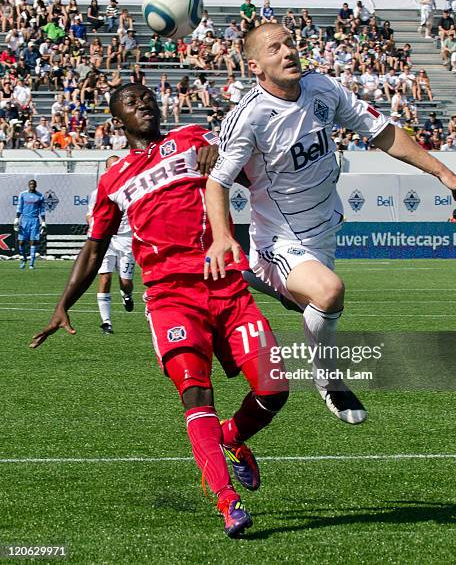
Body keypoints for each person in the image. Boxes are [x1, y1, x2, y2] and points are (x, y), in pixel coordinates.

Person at [30, 83, 288, 539]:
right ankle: (227, 501)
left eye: (147, 97)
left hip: (227, 284)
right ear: (116, 120)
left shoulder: (192, 137)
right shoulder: (113, 179)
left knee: (275, 390)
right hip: (171, 298)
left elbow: (253, 173)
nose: (143, 104)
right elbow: (94, 248)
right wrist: (62, 305)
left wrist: (221, 159)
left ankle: (231, 437)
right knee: (195, 393)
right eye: (131, 102)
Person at [204, 23, 456, 423]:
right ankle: (329, 381)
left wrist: (441, 172)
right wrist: (221, 237)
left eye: (291, 44)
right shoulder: (251, 116)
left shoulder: (323, 88)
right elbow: (217, 182)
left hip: (323, 232)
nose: (288, 52)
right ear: (255, 67)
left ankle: (276, 286)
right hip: (280, 240)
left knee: (320, 298)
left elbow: (383, 132)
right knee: (330, 292)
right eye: (274, 49)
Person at [86, 156, 135, 335]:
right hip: (107, 239)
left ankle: (127, 295)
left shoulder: (131, 189)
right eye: (112, 167)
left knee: (126, 282)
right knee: (105, 278)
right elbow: (90, 214)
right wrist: (94, 227)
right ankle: (106, 322)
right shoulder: (97, 192)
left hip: (127, 239)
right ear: (107, 170)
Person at [13, 179, 46, 269]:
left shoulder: (40, 196)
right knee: (21, 242)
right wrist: (16, 218)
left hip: (35, 221)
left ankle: (31, 264)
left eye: (33, 184)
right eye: (30, 184)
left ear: (36, 185)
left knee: (33, 242)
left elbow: (42, 210)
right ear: (28, 185)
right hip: (24, 220)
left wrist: (43, 222)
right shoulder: (22, 194)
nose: (32, 185)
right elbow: (19, 207)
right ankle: (23, 259)